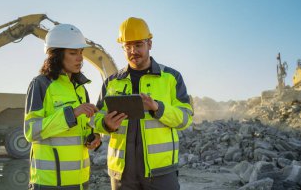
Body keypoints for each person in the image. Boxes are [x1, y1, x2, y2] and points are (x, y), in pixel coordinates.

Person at [94, 17, 194, 190]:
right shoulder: (111, 82)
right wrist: (105, 124)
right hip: (122, 174)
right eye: (128, 46)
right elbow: (95, 119)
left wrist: (158, 108)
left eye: (138, 44)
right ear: (123, 48)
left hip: (161, 172)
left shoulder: (171, 78)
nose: (133, 51)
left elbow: (185, 118)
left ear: (149, 44)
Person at [24, 23, 101, 190]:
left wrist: (93, 137)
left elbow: (82, 129)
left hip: (80, 182)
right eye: (73, 53)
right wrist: (70, 115)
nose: (80, 58)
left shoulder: (81, 88)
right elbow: (31, 130)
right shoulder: (40, 85)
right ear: (56, 55)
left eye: (81, 52)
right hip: (49, 183)